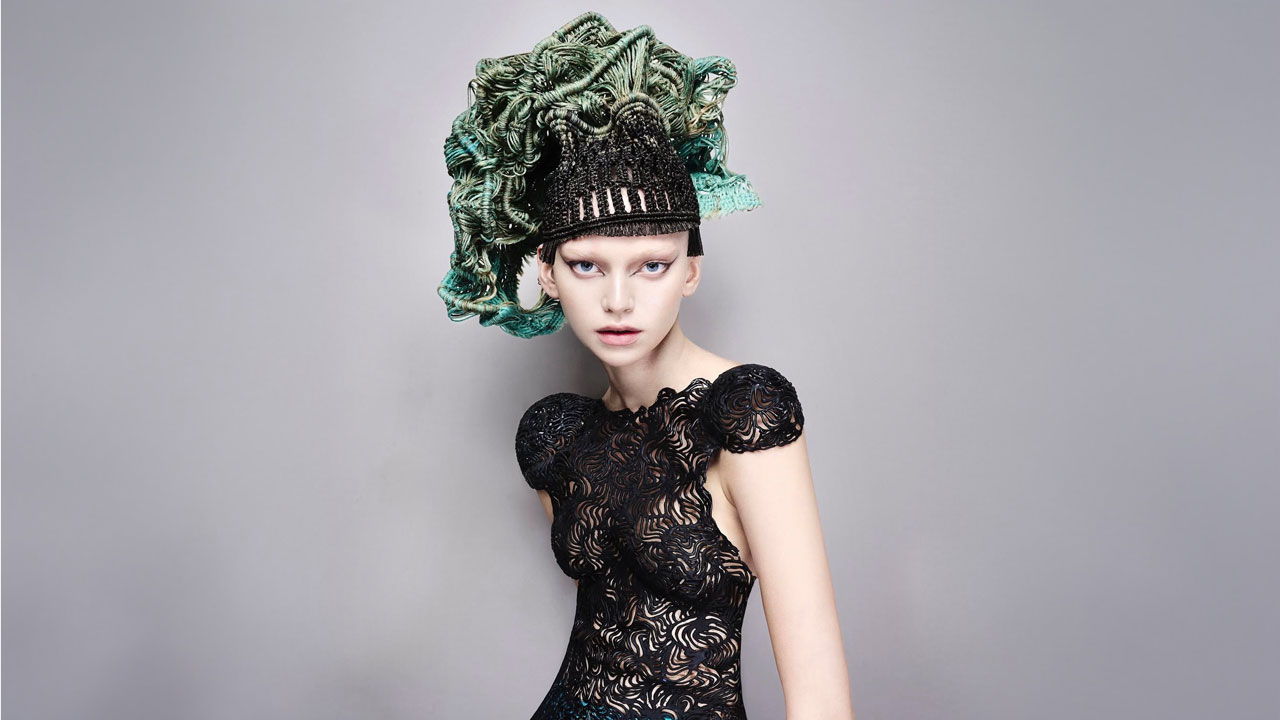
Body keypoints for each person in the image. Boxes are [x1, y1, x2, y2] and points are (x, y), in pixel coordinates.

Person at [439, 12, 855, 720]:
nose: (618, 299)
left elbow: (820, 700)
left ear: (691, 270)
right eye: (586, 265)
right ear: (546, 272)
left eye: (652, 265)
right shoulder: (556, 438)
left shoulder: (746, 413)